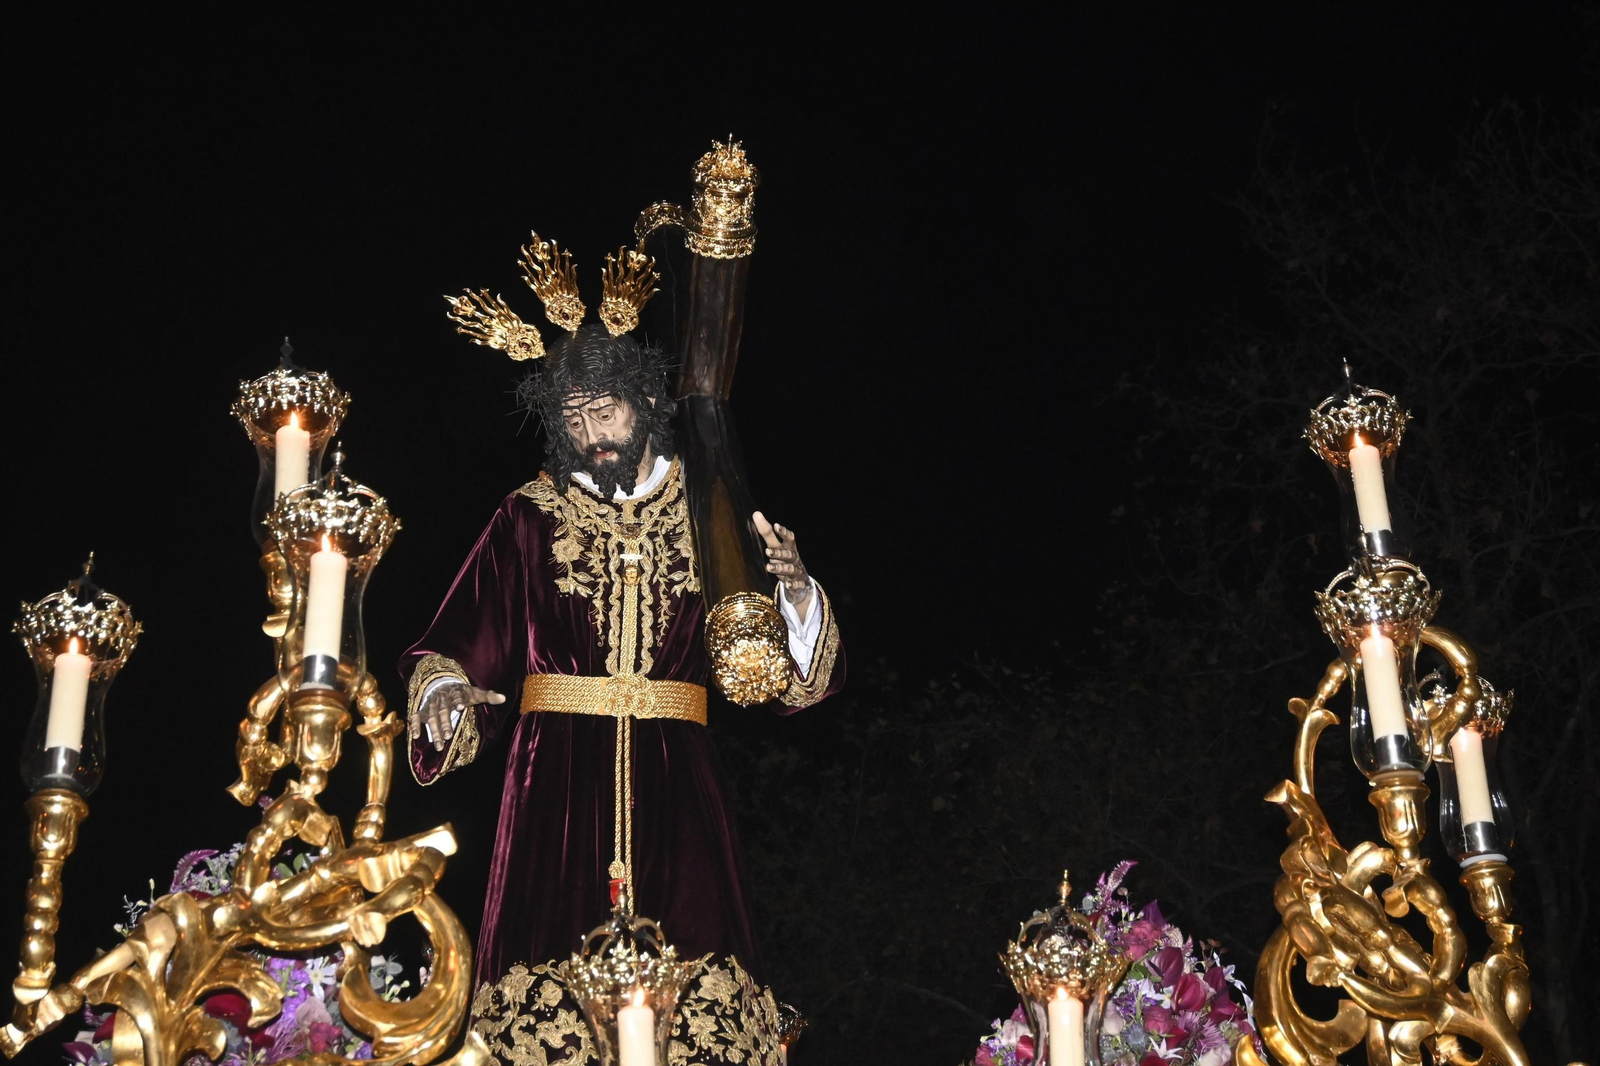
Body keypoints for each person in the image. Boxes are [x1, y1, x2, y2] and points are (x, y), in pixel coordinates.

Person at [400, 316, 843, 1059]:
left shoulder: (709, 513)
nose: (592, 434)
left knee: (701, 997)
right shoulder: (526, 517)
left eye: (605, 412)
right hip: (554, 790)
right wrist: (443, 689)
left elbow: (768, 679)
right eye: (574, 420)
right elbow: (457, 638)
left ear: (643, 405)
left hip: (678, 784)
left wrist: (794, 595)